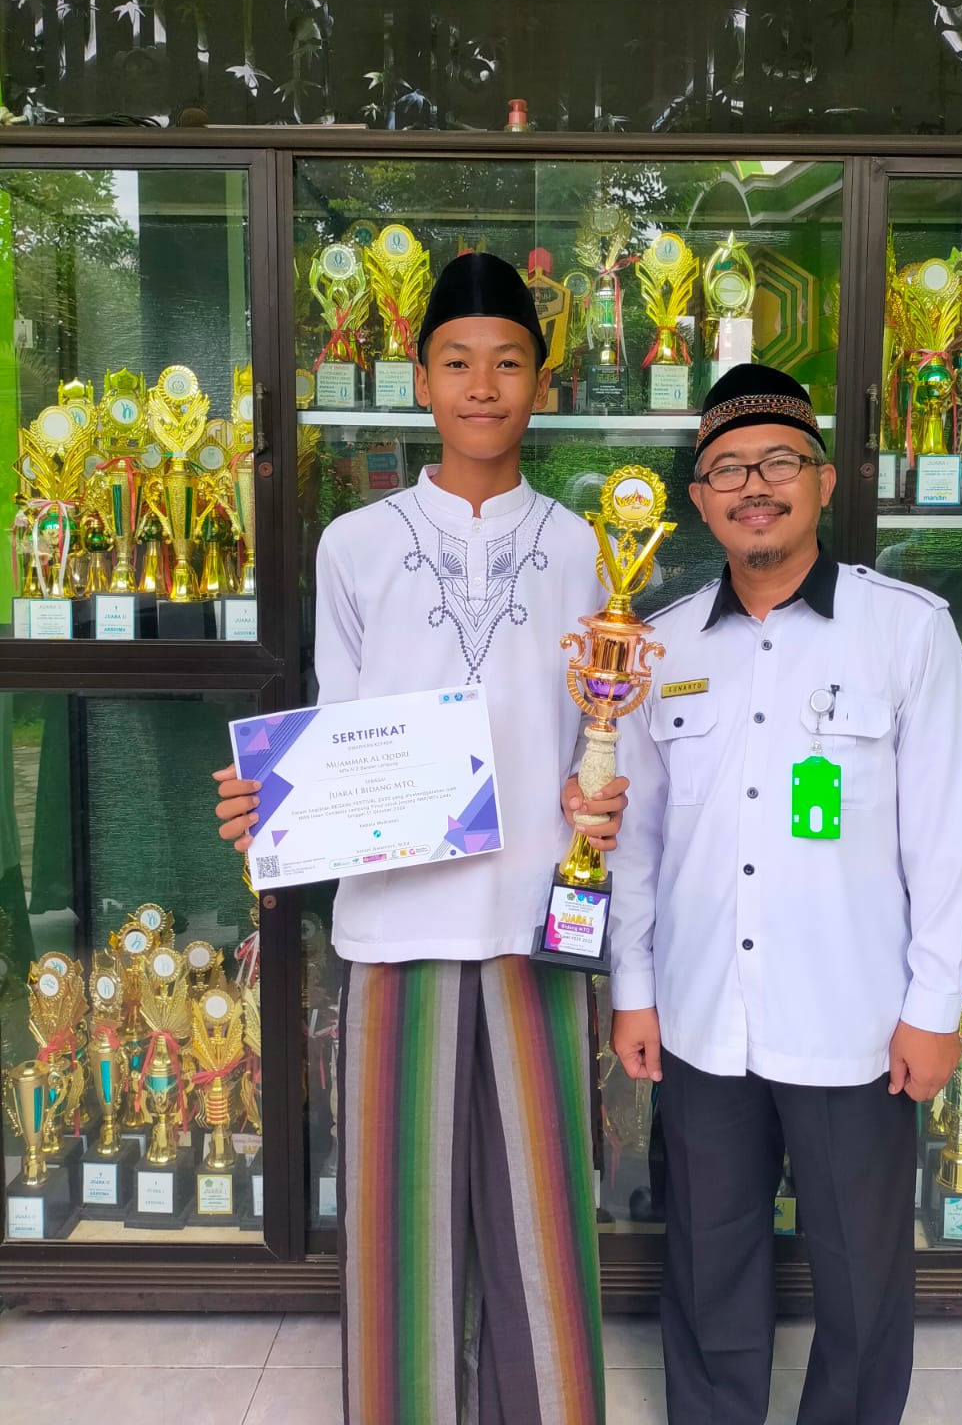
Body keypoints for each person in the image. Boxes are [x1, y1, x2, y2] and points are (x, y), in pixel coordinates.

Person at [212, 252, 626, 1425]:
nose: (482, 386)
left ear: (542, 381)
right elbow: (344, 729)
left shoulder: (588, 548)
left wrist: (603, 798)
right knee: (400, 1231)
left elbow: (602, 737)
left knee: (545, 1225)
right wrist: (274, 802)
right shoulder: (355, 542)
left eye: (508, 362)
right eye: (457, 361)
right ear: (421, 376)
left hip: (535, 925)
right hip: (394, 930)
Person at [609, 362, 962, 1425]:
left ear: (823, 480)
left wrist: (936, 1005)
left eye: (779, 461)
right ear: (700, 500)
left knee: (862, 1278)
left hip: (854, 1022)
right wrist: (633, 988)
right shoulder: (663, 645)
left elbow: (946, 836)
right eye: (728, 469)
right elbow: (637, 837)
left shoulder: (906, 630)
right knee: (708, 1263)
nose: (754, 486)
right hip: (702, 1019)